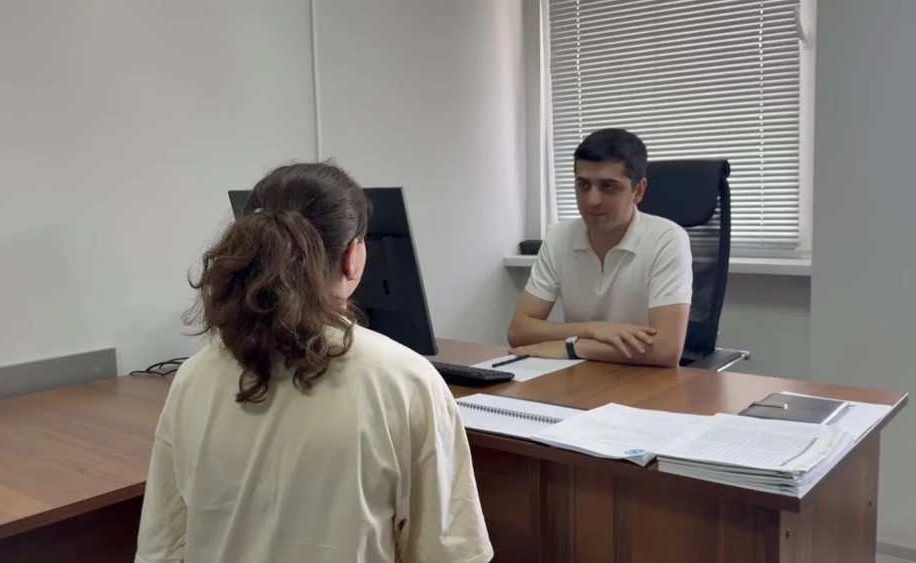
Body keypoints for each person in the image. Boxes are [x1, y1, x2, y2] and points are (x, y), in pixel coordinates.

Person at [136, 163, 493, 563]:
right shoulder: (405, 382)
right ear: (353, 257)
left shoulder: (193, 377)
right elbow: (450, 554)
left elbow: (160, 549)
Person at [507, 128, 693, 367]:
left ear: (638, 191)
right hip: (579, 374)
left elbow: (666, 349)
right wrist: (593, 329)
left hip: (644, 377)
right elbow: (519, 331)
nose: (592, 200)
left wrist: (572, 347)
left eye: (608, 186)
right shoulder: (559, 237)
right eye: (583, 185)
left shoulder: (667, 239)